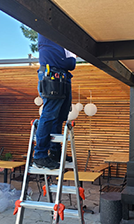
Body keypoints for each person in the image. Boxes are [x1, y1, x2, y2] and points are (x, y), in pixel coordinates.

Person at [33, 33, 76, 169]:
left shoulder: (60, 38)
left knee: (60, 116)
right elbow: (69, 60)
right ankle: (40, 155)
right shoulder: (47, 29)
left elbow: (70, 62)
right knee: (49, 115)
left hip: (62, 76)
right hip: (53, 75)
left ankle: (55, 152)